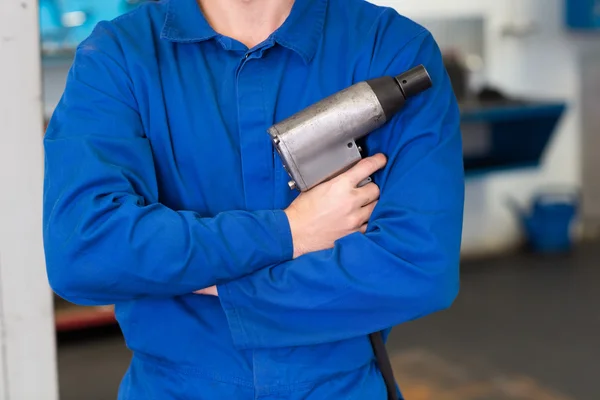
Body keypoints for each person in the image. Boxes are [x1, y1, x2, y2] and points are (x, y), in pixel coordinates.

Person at [42, 0, 464, 398]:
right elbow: (83, 251)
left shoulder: (389, 48)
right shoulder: (118, 56)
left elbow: (420, 266)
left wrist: (214, 284)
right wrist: (290, 232)